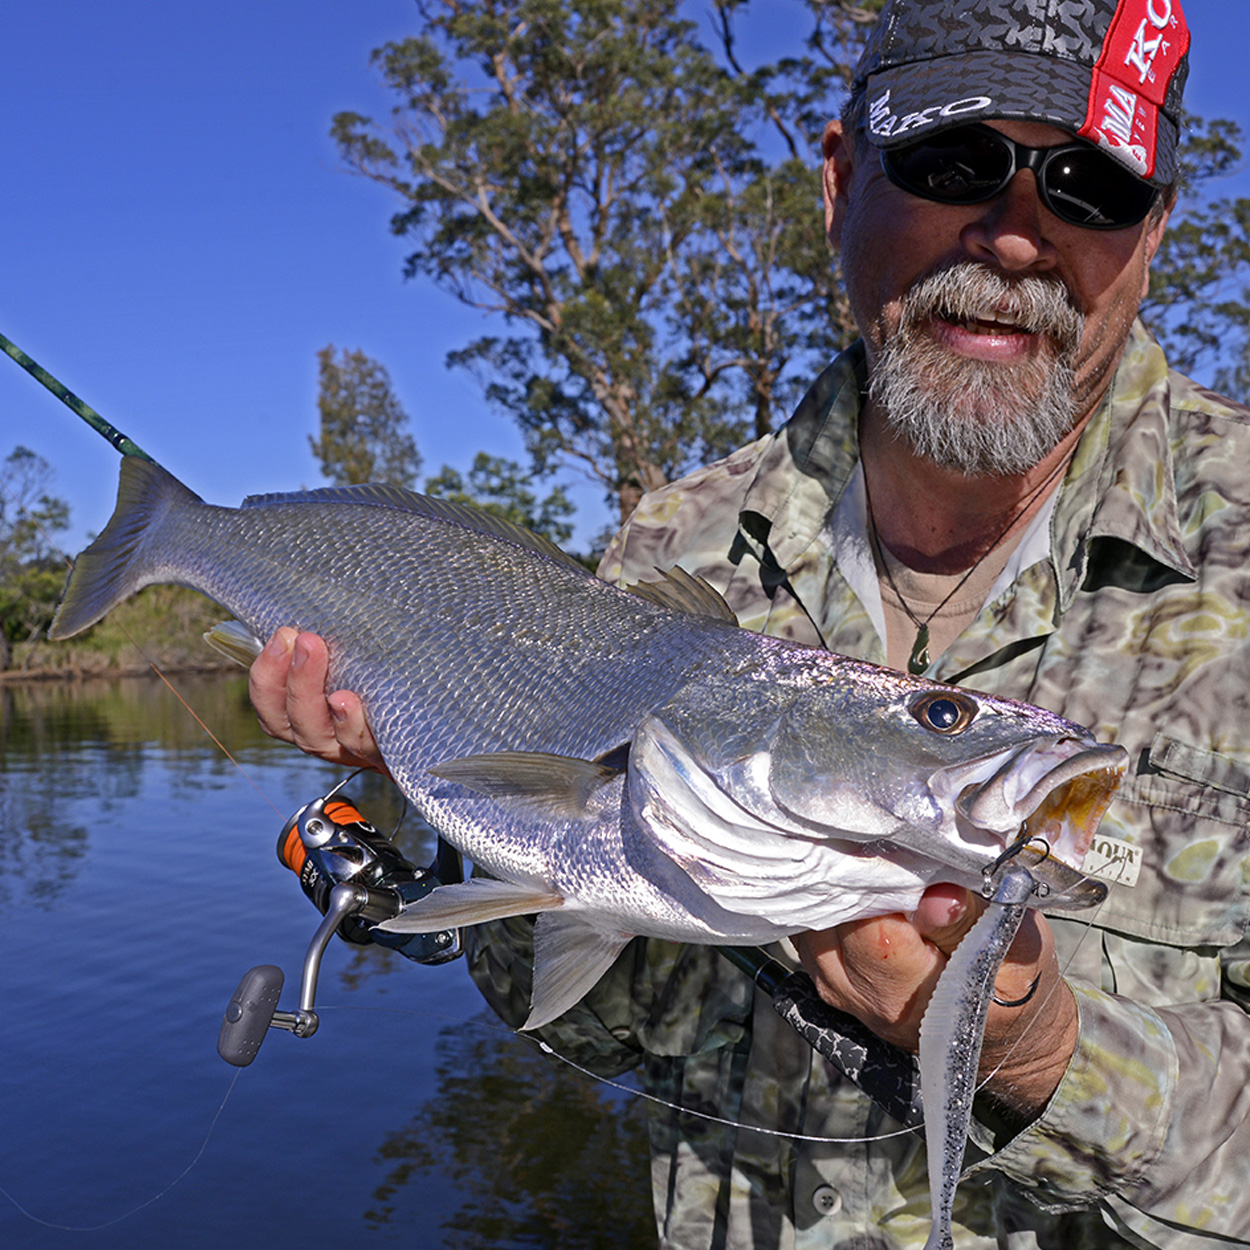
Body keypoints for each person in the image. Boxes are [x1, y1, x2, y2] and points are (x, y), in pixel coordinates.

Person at [251, 0, 1250, 1244]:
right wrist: (431, 767)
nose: (1010, 237)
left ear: (1151, 235)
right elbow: (577, 1000)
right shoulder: (667, 547)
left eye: (1088, 185)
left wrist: (1053, 1053)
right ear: (839, 184)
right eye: (951, 162)